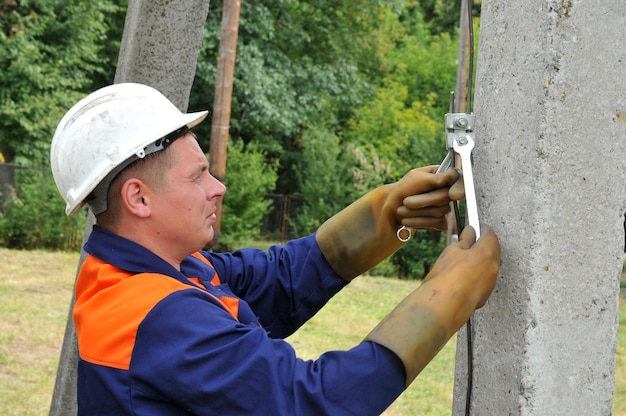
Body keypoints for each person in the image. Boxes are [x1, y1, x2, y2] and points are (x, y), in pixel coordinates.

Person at [50, 83, 501, 415]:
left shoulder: (152, 272)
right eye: (196, 176)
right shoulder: (159, 317)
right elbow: (310, 402)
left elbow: (278, 281)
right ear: (138, 198)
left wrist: (385, 214)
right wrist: (446, 298)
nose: (218, 187)